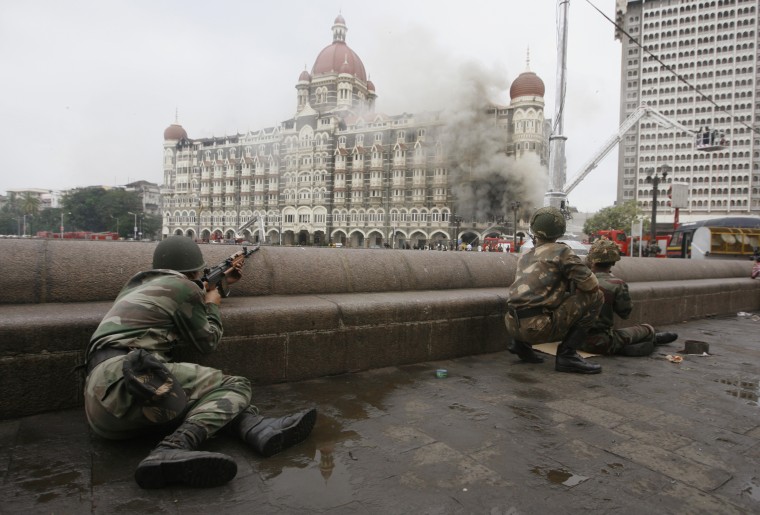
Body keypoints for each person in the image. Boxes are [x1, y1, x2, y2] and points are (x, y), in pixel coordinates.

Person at [83, 236, 317, 489]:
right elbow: (208, 341)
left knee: (206, 400)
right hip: (128, 381)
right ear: (194, 269)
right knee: (235, 385)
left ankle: (257, 428)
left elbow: (181, 303)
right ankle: (174, 447)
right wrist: (213, 304)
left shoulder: (138, 286)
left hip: (106, 406)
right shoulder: (183, 287)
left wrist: (222, 284)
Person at [505, 206, 604, 374]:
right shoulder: (562, 251)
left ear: (534, 230)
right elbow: (591, 285)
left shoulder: (526, 254)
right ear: (560, 230)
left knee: (530, 297)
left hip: (511, 323)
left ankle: (520, 345)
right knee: (597, 297)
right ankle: (568, 355)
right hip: (537, 329)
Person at [578, 239, 678, 356]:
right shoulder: (616, 284)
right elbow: (625, 313)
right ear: (614, 262)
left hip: (573, 341)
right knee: (646, 329)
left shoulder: (579, 280)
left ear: (591, 260)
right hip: (600, 342)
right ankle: (649, 338)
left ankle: (623, 346)